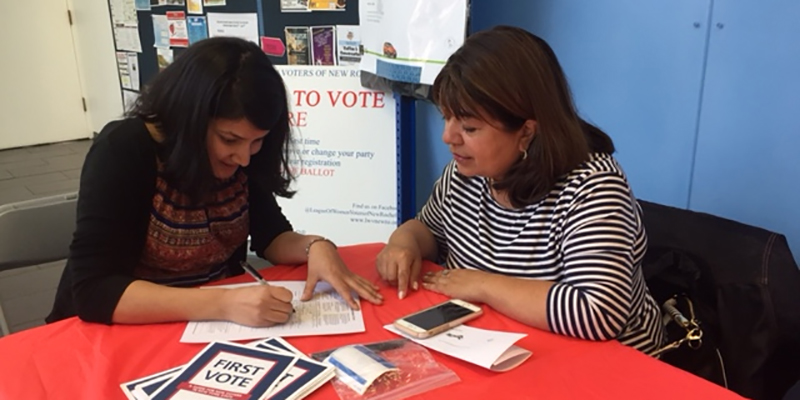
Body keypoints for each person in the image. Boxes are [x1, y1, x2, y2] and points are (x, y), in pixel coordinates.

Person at [47, 37, 382, 327]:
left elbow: (271, 235)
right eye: (229, 139)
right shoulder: (125, 149)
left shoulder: (245, 157)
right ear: (188, 120)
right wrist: (223, 304)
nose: (244, 158)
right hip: (118, 327)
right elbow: (94, 291)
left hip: (208, 323)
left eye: (257, 142)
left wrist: (316, 246)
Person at [376, 26, 666, 355]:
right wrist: (404, 242)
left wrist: (483, 283)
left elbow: (597, 312)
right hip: (494, 347)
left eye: (469, 127)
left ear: (526, 132)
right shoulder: (465, 173)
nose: (449, 137)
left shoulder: (592, 187)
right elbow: (429, 228)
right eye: (446, 118)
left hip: (600, 364)